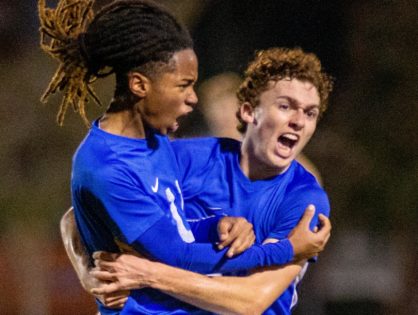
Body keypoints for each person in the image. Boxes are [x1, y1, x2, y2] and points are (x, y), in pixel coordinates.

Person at [38, 0, 331, 314]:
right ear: (247, 111)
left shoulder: (304, 198)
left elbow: (250, 301)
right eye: (285, 106)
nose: (299, 121)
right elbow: (76, 217)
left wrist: (148, 272)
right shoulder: (186, 156)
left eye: (310, 113)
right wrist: (91, 274)